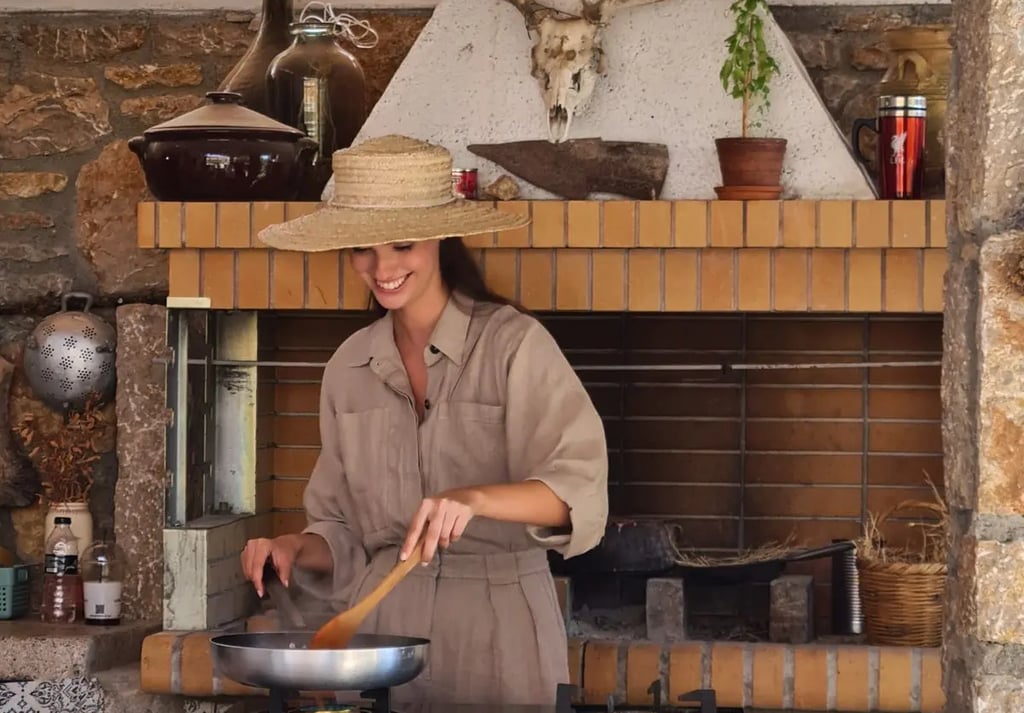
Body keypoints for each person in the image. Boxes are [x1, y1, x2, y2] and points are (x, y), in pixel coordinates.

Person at [240, 135, 609, 705]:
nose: (382, 268)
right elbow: (339, 529)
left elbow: (577, 496)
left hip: (500, 621)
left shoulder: (514, 345)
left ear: (440, 239)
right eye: (364, 248)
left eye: (403, 244)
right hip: (383, 627)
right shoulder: (348, 368)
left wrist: (475, 499)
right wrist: (290, 547)